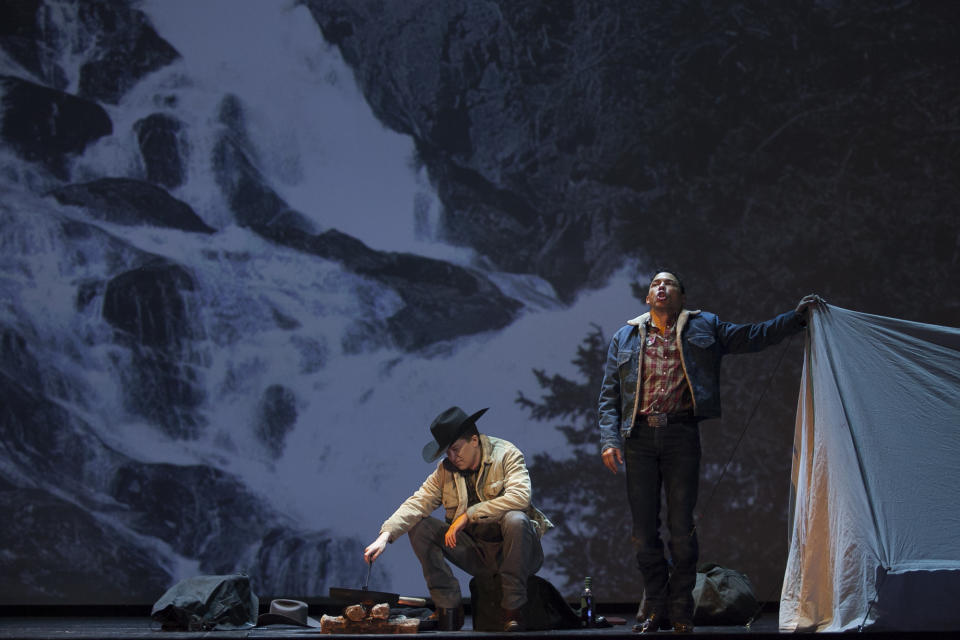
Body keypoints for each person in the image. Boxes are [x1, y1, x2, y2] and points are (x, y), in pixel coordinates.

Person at [597, 270, 824, 634]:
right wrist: (610, 439)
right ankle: (655, 608)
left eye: (669, 283)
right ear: (647, 297)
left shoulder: (705, 326)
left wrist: (795, 319)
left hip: (681, 435)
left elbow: (752, 336)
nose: (661, 287)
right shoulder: (626, 336)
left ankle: (681, 610)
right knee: (643, 532)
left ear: (682, 297)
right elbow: (609, 395)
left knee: (681, 527)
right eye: (655, 283)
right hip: (638, 439)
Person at [364, 406, 552, 632]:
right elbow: (418, 502)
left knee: (516, 519)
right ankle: (448, 608)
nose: (453, 457)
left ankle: (512, 609)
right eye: (448, 452)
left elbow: (520, 497)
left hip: (517, 551)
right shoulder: (445, 471)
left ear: (474, 440)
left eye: (456, 449)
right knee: (420, 527)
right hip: (477, 553)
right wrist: (385, 536)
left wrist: (468, 515)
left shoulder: (506, 454)